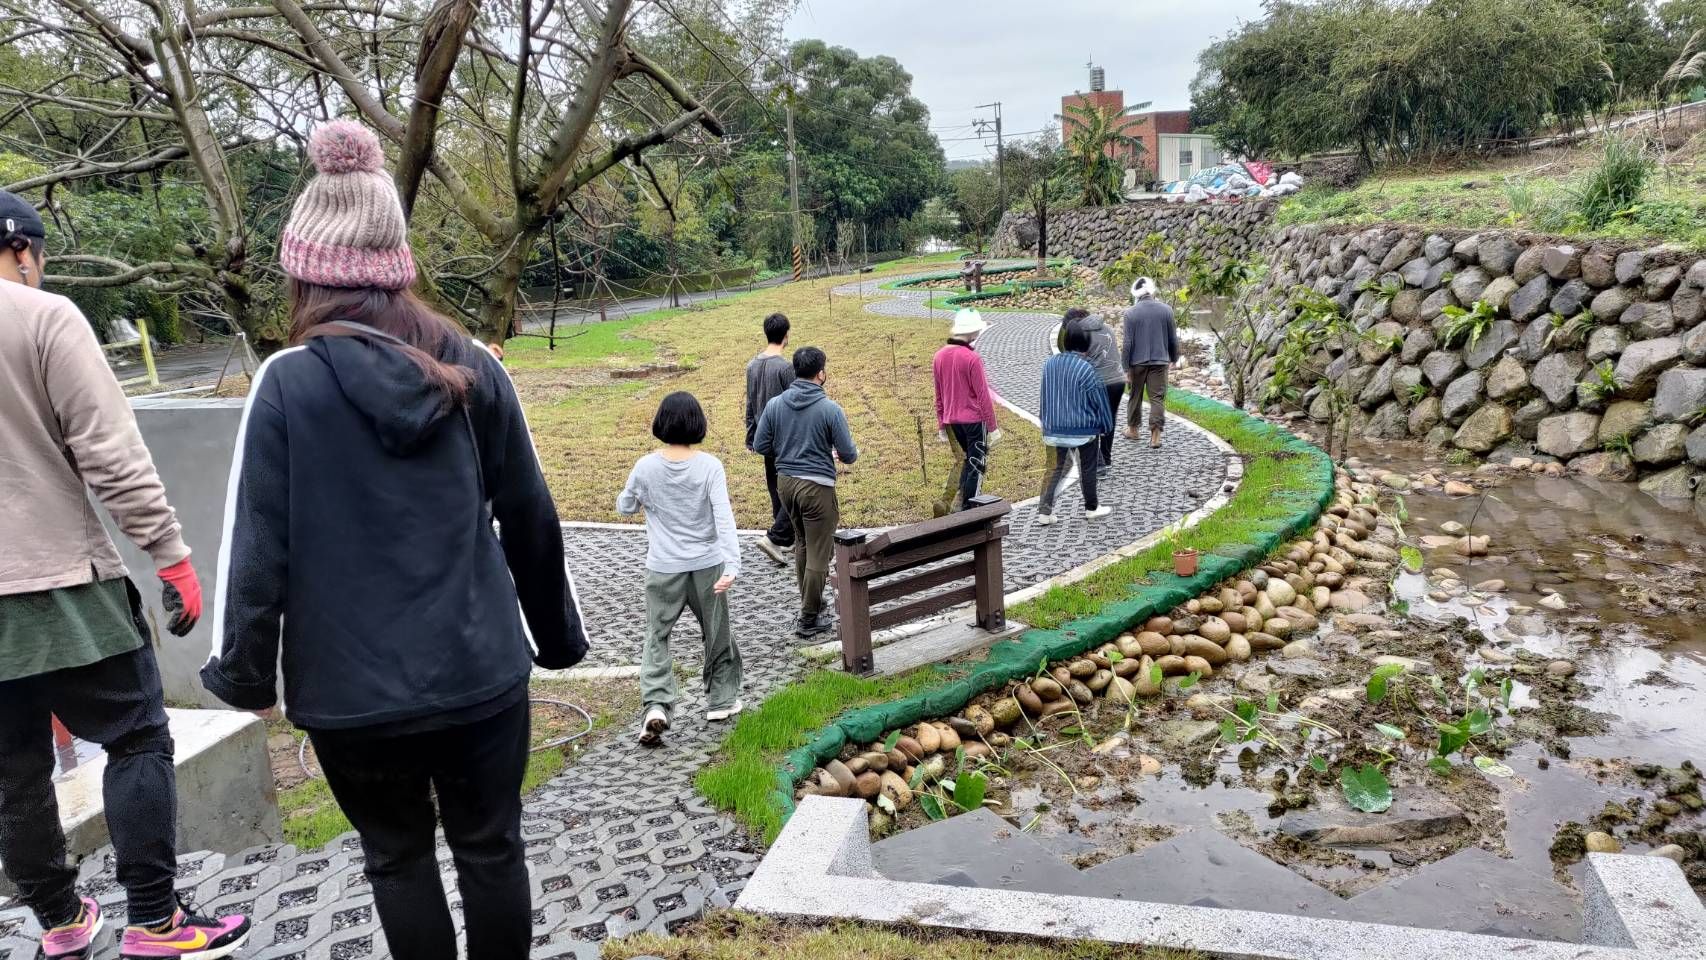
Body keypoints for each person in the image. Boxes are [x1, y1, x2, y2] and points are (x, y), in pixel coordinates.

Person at [200, 121, 588, 960]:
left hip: (350, 697)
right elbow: (530, 515)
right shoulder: (474, 366)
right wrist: (557, 641)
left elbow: (256, 546)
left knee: (396, 860)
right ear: (396, 262)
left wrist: (244, 676)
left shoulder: (285, 384)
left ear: (306, 271)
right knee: (493, 850)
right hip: (479, 675)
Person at [0, 189, 253, 960]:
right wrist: (171, 557)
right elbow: (111, 455)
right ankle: (155, 919)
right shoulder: (43, 318)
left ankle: (60, 921)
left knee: (11, 772)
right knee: (138, 736)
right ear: (21, 252)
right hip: (61, 581)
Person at [618, 391, 744, 747]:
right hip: (708, 565)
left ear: (660, 423)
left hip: (662, 567)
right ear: (697, 423)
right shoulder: (709, 466)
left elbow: (625, 506)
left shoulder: (645, 467)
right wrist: (732, 564)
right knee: (716, 632)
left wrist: (639, 497)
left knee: (657, 636)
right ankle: (720, 700)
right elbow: (724, 517)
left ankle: (656, 704)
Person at [752, 347, 858, 638]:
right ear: (820, 373)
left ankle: (812, 602)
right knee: (820, 554)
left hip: (786, 484)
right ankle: (809, 617)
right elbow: (849, 454)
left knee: (801, 544)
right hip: (816, 487)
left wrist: (787, 451)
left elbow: (760, 445)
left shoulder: (775, 405)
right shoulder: (830, 409)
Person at [1036, 319, 1115, 525]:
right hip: (1083, 430)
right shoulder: (1087, 369)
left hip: (1053, 428)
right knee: (1087, 468)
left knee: (1056, 468)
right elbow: (1099, 401)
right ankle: (1092, 508)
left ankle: (1045, 511)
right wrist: (1106, 426)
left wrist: (1046, 423)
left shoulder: (1049, 364)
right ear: (1086, 344)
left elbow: (1045, 396)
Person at [932, 308, 1001, 514]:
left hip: (952, 421)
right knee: (976, 466)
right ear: (972, 332)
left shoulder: (939, 356)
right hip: (974, 421)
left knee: (965, 462)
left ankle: (960, 506)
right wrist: (993, 427)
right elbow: (983, 396)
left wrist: (941, 425)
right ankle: (970, 511)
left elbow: (939, 394)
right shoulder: (972, 359)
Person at [745, 312, 796, 565]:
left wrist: (751, 435)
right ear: (786, 335)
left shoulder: (752, 365)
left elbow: (750, 402)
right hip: (786, 438)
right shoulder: (786, 368)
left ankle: (788, 540)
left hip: (764, 438)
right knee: (793, 489)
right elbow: (798, 401)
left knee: (776, 488)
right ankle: (776, 538)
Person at [1059, 306, 1125, 479]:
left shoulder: (1080, 333)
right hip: (1118, 381)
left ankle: (1099, 466)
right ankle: (1106, 459)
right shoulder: (1107, 327)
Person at [1121, 277, 1180, 448]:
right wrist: (1174, 358)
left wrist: (1125, 367)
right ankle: (1155, 436)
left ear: (1136, 294)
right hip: (1160, 361)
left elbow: (1127, 343)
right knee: (1157, 398)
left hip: (1136, 363)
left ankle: (1133, 430)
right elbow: (1172, 338)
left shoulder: (1130, 313)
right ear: (1152, 291)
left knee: (1135, 395)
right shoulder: (1166, 310)